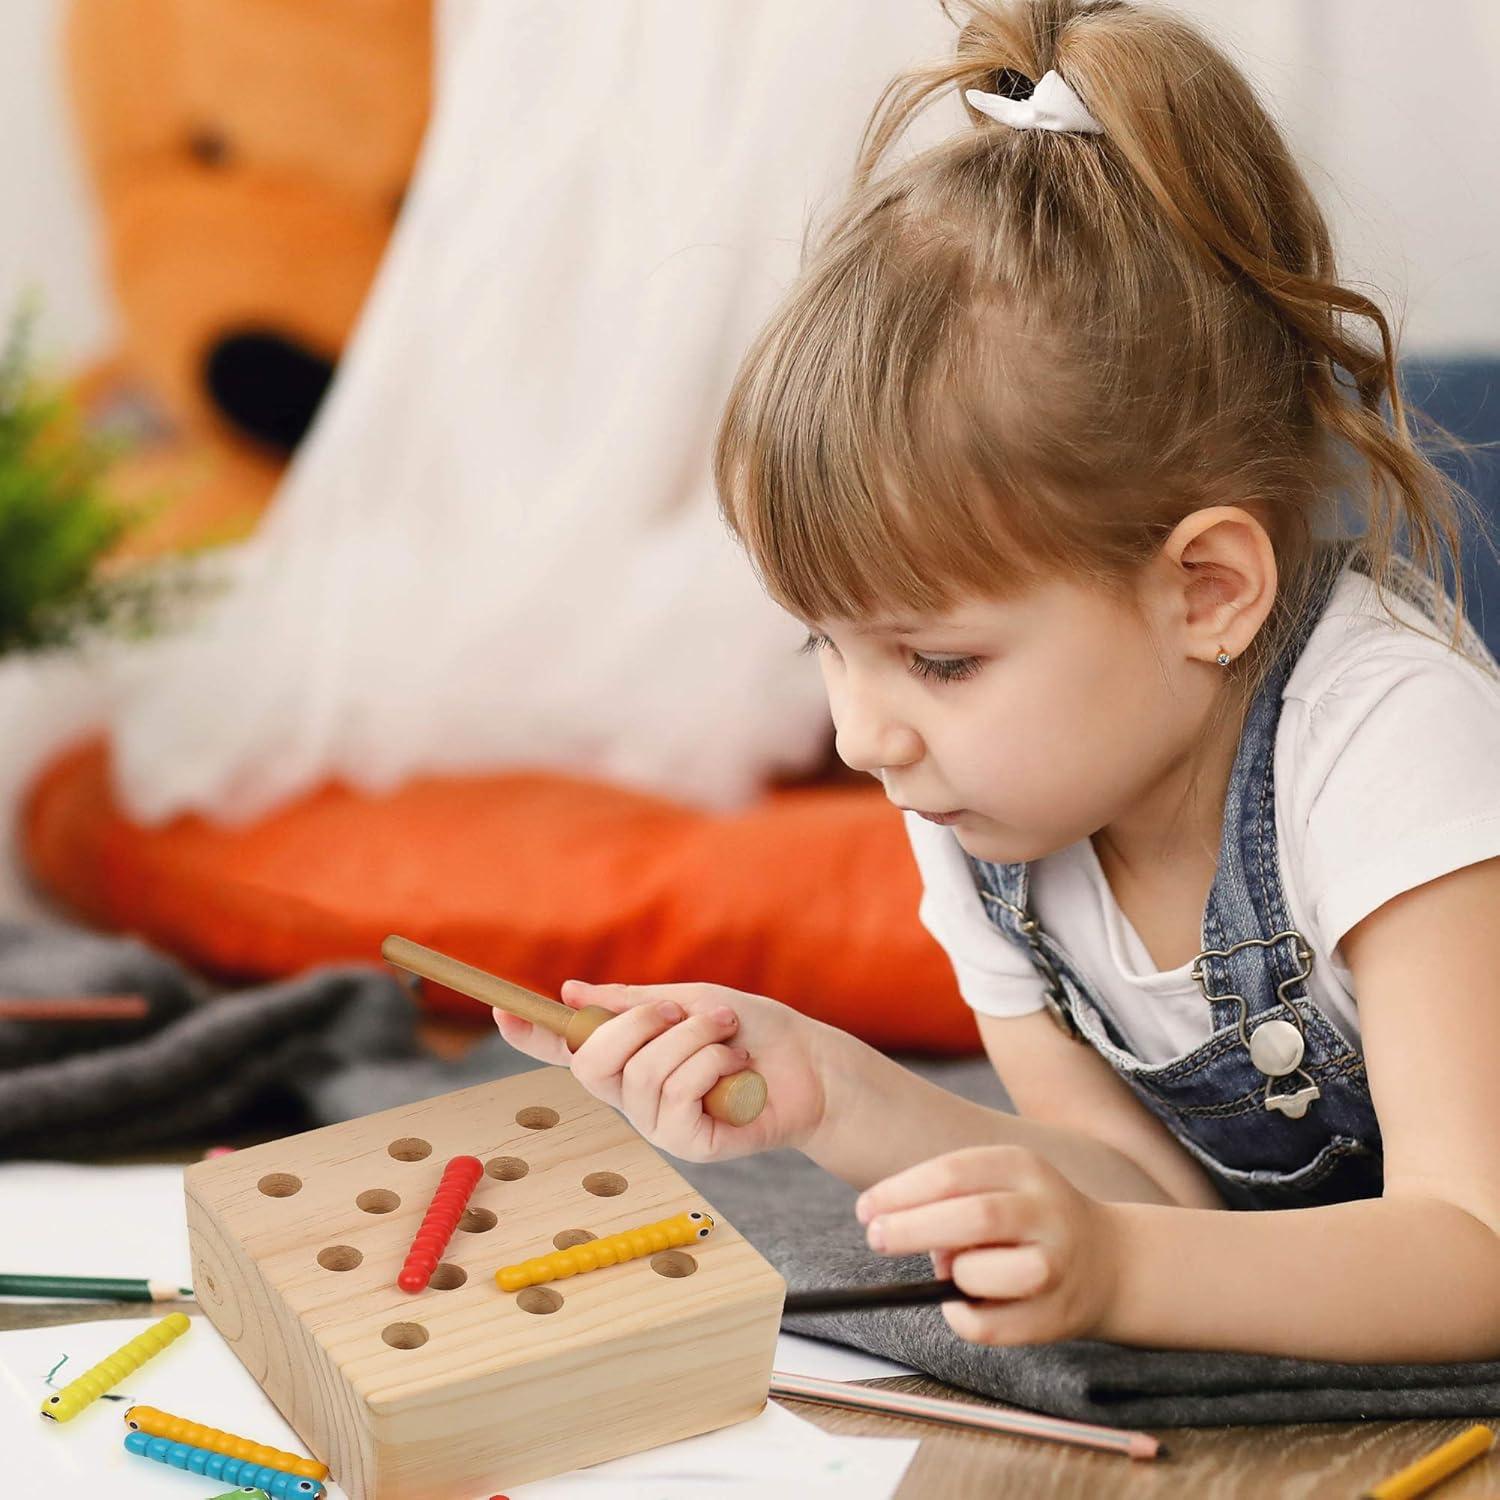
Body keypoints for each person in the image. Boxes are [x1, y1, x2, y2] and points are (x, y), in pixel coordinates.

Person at [496, 0, 1500, 1363]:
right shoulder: (984, 815)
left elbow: (1470, 1251)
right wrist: (831, 1087)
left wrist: (1125, 1272)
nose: (862, 736)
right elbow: (1147, 1189)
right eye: (823, 644)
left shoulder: (1391, 744)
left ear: (1205, 590)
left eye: (939, 659)